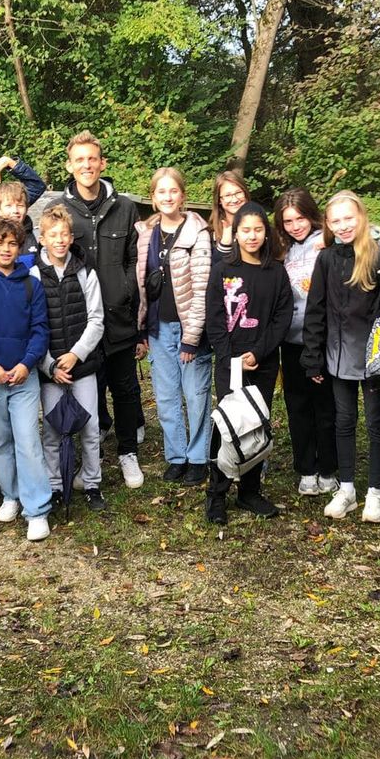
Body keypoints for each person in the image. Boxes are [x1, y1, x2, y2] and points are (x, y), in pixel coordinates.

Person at [52, 130, 145, 489]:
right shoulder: (60, 211)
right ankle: (92, 455)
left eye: (92, 158)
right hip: (80, 323)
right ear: (69, 166)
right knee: (88, 390)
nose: (86, 165)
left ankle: (128, 452)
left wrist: (126, 296)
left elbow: (134, 261)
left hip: (118, 317)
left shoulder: (125, 208)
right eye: (80, 160)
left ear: (102, 163)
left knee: (126, 389)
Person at [302, 191, 380, 523]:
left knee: (375, 423)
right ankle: (348, 488)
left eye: (348, 218)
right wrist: (313, 357)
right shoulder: (326, 259)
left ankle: (375, 492)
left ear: (362, 217)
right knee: (344, 420)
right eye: (335, 220)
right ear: (328, 224)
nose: (343, 226)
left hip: (373, 360)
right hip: (337, 358)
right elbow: (316, 311)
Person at [203, 201, 293, 525]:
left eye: (258, 230)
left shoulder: (276, 272)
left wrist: (259, 352)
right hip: (230, 362)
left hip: (263, 361)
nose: (252, 236)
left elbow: (282, 317)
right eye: (246, 230)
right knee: (227, 426)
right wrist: (230, 358)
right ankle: (217, 492)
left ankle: (250, 491)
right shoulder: (222, 270)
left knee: (256, 425)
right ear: (235, 233)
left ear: (266, 233)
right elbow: (215, 317)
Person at [0, 217, 52, 540]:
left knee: (28, 440)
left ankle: (37, 508)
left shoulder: (31, 285)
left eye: (12, 243)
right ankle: (11, 494)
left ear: (19, 247)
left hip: (24, 377)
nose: (6, 249)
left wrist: (26, 363)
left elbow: (40, 329)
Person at [136, 167, 213, 486]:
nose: (167, 197)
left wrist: (192, 337)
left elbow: (202, 287)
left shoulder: (197, 232)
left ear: (183, 195)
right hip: (158, 327)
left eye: (173, 191)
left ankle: (198, 457)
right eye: (161, 192)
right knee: (166, 396)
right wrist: (141, 328)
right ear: (153, 198)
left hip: (189, 327)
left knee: (195, 395)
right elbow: (141, 283)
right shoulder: (146, 234)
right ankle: (176, 456)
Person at [31, 205, 106, 512]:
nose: (59, 240)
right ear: (42, 238)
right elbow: (32, 326)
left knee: (90, 426)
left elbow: (96, 320)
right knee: (52, 429)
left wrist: (76, 354)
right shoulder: (34, 275)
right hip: (50, 368)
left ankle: (91, 482)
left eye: (64, 234)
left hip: (82, 365)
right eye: (53, 235)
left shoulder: (85, 272)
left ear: (71, 237)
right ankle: (55, 485)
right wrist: (50, 365)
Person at [273, 187, 338, 496]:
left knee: (325, 407)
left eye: (300, 218)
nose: (295, 226)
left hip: (323, 339)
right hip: (291, 340)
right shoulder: (281, 249)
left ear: (311, 215)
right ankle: (306, 469)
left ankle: (328, 467)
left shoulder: (326, 242)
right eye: (288, 221)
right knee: (297, 406)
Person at [0, 180, 41, 260]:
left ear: (27, 208)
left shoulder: (33, 236)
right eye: (8, 206)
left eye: (20, 206)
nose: (15, 211)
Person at [208, 171, 250, 259]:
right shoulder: (209, 234)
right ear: (219, 200)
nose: (235, 199)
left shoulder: (261, 229)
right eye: (228, 195)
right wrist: (225, 243)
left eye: (238, 193)